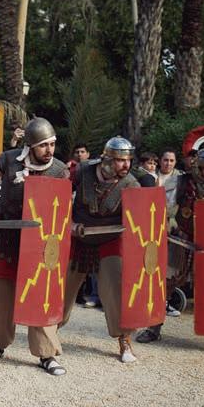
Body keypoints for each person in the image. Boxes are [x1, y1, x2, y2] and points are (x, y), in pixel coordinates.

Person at [0, 118, 70, 375]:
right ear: (30, 145)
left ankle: (46, 353)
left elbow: (62, 209)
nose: (49, 150)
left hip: (40, 244)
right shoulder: (9, 160)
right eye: (43, 145)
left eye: (52, 144)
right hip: (6, 237)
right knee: (0, 298)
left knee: (41, 295)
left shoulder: (59, 170)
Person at [135, 148, 204, 358]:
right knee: (164, 284)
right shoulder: (181, 183)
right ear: (197, 168)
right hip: (182, 239)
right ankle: (153, 328)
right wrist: (167, 223)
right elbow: (163, 206)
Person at [61, 136, 142, 363]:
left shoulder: (132, 185)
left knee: (115, 288)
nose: (126, 165)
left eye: (128, 160)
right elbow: (58, 195)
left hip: (110, 240)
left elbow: (139, 220)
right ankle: (49, 331)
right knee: (61, 287)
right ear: (106, 160)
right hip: (78, 237)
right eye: (120, 160)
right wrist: (69, 223)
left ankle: (124, 339)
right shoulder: (82, 171)